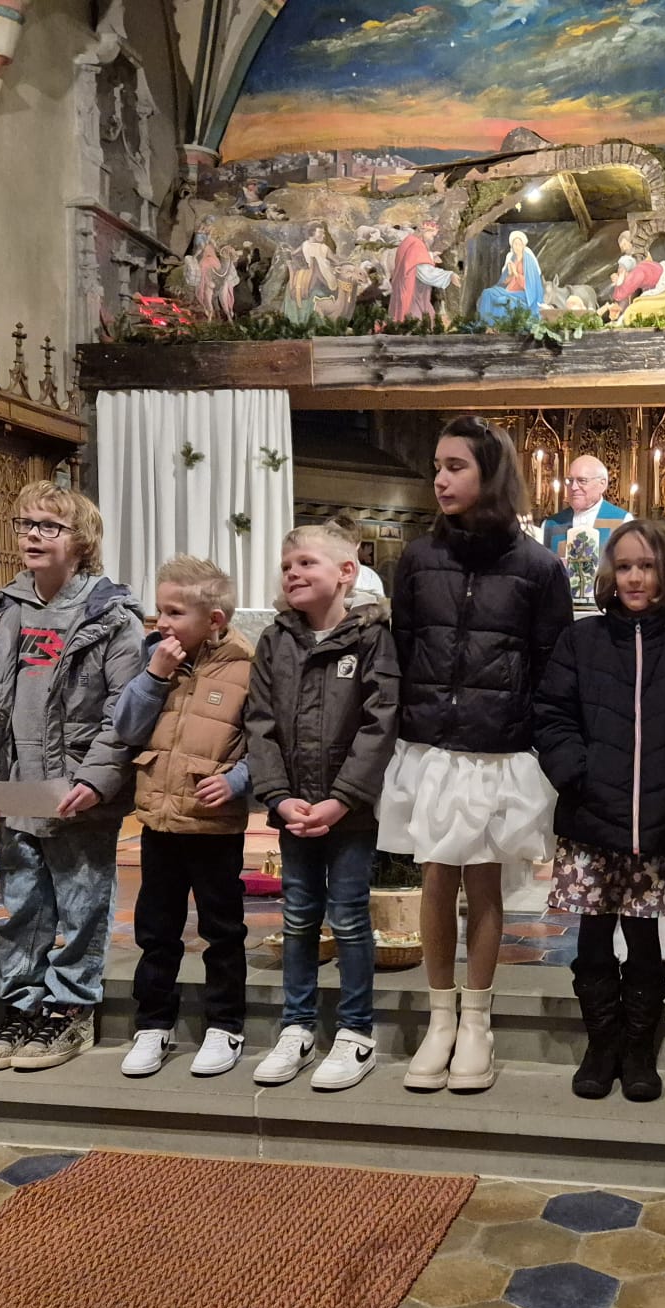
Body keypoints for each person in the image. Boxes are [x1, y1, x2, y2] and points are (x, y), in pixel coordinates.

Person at [383, 416, 573, 1093]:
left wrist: (539, 743)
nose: (440, 478)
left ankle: (478, 1024)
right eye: (437, 465)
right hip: (433, 742)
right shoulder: (417, 558)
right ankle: (440, 1020)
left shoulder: (540, 567)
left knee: (485, 881)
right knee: (436, 877)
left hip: (499, 747)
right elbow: (402, 650)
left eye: (455, 466)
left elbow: (553, 666)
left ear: (490, 474)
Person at [534, 519, 665, 1102]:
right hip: (590, 817)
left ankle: (639, 1048)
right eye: (625, 566)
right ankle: (601, 1045)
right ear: (610, 573)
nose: (635, 577)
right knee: (591, 938)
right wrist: (577, 773)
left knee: (643, 940)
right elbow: (552, 715)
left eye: (647, 566)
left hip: (653, 820)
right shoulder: (581, 640)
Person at [0, 482, 145, 1073]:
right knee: (22, 902)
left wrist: (95, 780)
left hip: (76, 787)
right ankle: (20, 1005)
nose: (32, 535)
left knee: (82, 903)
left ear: (81, 539)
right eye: (25, 524)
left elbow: (126, 711)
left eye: (50, 526)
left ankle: (71, 1009)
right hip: (16, 782)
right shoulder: (2, 611)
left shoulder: (110, 616)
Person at [244, 525, 400, 1091]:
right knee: (297, 916)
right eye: (287, 564)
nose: (293, 572)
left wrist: (341, 799)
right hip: (294, 809)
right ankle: (298, 1026)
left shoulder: (373, 638)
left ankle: (357, 1032)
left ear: (346, 573)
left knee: (351, 916)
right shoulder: (275, 640)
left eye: (307, 562)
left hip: (348, 811)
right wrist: (279, 797)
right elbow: (258, 723)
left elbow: (381, 722)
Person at [108, 556, 257, 1080]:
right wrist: (154, 675)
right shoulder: (154, 659)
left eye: (175, 612)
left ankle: (225, 1025)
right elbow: (127, 728)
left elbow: (265, 742)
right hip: (159, 819)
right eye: (159, 610)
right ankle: (153, 1023)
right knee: (156, 928)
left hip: (213, 823)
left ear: (213, 620)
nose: (161, 622)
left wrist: (237, 781)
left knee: (222, 928)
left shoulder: (246, 665)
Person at [540, 456, 632, 559]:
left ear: (602, 484)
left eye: (582, 481)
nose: (573, 487)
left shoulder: (623, 522)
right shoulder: (550, 525)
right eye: (570, 480)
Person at [475, 229, 545, 324]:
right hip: (509, 291)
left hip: (524, 295)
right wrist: (511, 274)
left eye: (519, 244)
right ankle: (485, 324)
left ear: (523, 246)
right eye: (515, 244)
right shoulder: (511, 259)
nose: (517, 247)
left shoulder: (529, 261)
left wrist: (515, 273)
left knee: (504, 300)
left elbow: (530, 285)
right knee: (487, 293)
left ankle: (496, 324)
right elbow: (504, 282)